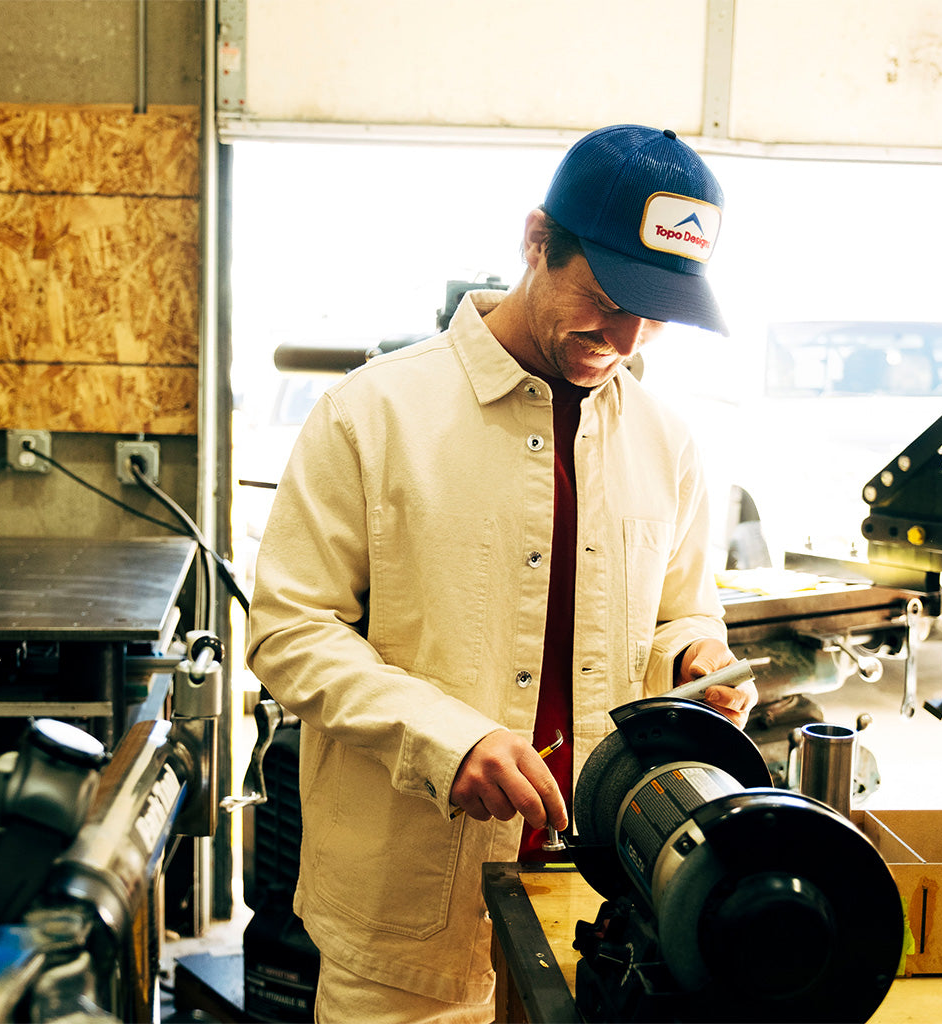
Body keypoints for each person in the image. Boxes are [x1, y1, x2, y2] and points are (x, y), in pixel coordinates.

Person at [247, 124, 758, 1023]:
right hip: (403, 924)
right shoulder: (373, 415)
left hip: (595, 904)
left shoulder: (666, 442)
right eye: (606, 296)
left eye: (656, 315)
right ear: (536, 242)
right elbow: (290, 634)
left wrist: (694, 662)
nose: (627, 336)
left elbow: (683, 612)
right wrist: (449, 743)